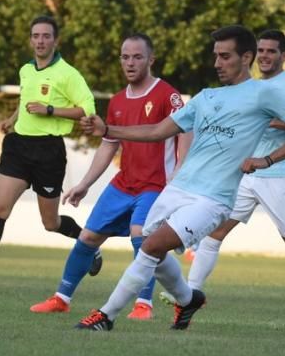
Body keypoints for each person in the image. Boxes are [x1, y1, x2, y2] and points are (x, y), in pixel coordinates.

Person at [75, 25, 285, 331]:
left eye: (225, 56)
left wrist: (266, 160)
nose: (217, 63)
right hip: (178, 188)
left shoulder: (265, 93)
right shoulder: (206, 97)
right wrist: (107, 130)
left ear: (246, 57)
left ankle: (105, 316)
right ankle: (188, 299)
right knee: (152, 245)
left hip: (213, 199)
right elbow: (156, 131)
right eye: (215, 56)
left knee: (150, 248)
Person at [162, 29, 285, 295]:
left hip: (276, 175)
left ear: (284, 55)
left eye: (272, 51)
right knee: (214, 235)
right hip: (244, 176)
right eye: (262, 51)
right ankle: (189, 297)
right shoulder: (251, 86)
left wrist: (267, 134)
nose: (265, 56)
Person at [30, 33, 189, 319]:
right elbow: (108, 144)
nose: (130, 63)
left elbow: (187, 128)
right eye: (125, 57)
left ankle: (143, 304)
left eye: (137, 57)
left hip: (156, 185)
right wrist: (84, 184)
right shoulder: (116, 101)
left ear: (151, 60)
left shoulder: (169, 95)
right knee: (89, 237)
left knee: (143, 236)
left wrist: (180, 170)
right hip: (124, 183)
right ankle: (61, 298)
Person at [0, 15, 96, 293]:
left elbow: (87, 109)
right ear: (30, 40)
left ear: (55, 40)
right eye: (35, 36)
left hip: (49, 151)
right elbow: (25, 101)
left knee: (50, 223)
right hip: (18, 146)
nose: (40, 41)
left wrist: (51, 110)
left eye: (46, 36)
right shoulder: (26, 70)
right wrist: (11, 119)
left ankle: (88, 243)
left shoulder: (68, 74)